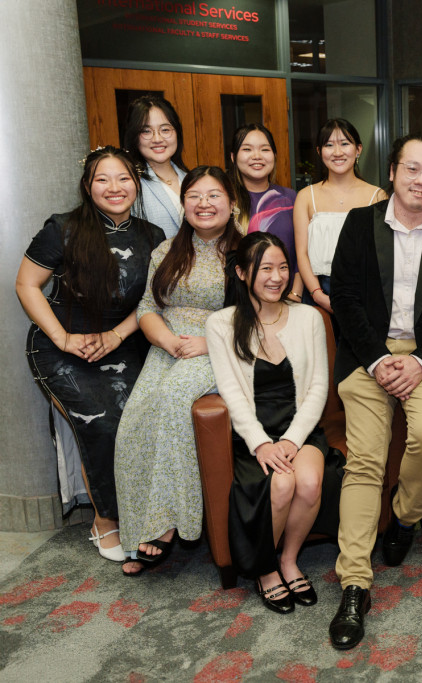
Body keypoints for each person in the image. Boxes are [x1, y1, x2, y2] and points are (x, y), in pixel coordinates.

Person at [328, 135, 422, 650]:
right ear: (392, 172)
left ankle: (404, 517)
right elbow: (345, 299)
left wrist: (419, 362)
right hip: (366, 353)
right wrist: (377, 360)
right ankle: (355, 583)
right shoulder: (359, 224)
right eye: (412, 169)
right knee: (365, 461)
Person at [16, 146, 163, 563]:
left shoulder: (153, 237)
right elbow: (26, 285)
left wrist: (116, 335)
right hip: (61, 347)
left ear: (136, 183)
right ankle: (106, 520)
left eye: (123, 178)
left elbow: (155, 300)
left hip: (124, 341)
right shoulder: (61, 228)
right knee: (102, 424)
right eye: (103, 179)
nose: (114, 188)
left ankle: (146, 515)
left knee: (141, 419)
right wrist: (63, 338)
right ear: (87, 186)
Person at [115, 166, 243, 576]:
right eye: (194, 197)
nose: (204, 204)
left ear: (232, 202)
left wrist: (212, 342)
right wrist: (167, 341)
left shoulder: (247, 251)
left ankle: (167, 523)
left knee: (173, 402)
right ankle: (137, 528)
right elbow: (149, 309)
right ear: (184, 205)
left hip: (219, 347)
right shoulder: (165, 250)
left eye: (214, 195)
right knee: (133, 421)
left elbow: (259, 314)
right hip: (168, 347)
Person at [207, 232, 343, 613]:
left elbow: (318, 386)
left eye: (283, 267)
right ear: (242, 272)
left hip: (299, 425)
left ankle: (288, 559)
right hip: (255, 432)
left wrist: (294, 439)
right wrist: (261, 443)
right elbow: (231, 392)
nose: (276, 277)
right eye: (265, 268)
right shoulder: (221, 324)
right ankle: (265, 569)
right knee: (281, 485)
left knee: (310, 481)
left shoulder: (308, 317)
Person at [293, 119, 386, 314]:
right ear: (319, 151)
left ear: (358, 149)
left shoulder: (377, 196)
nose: (337, 152)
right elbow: (301, 252)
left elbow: (382, 255)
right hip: (316, 291)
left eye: (345, 143)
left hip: (364, 292)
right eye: (329, 145)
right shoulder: (306, 196)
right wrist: (318, 294)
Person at [227, 124, 299, 297]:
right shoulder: (224, 200)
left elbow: (302, 253)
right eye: (247, 149)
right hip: (238, 301)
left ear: (274, 155)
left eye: (265, 149)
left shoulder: (291, 198)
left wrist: (296, 294)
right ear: (233, 157)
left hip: (286, 298)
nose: (257, 156)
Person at [123, 95, 189, 240]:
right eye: (146, 131)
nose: (157, 139)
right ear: (134, 136)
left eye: (165, 130)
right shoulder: (128, 184)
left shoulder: (192, 179)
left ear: (177, 133)